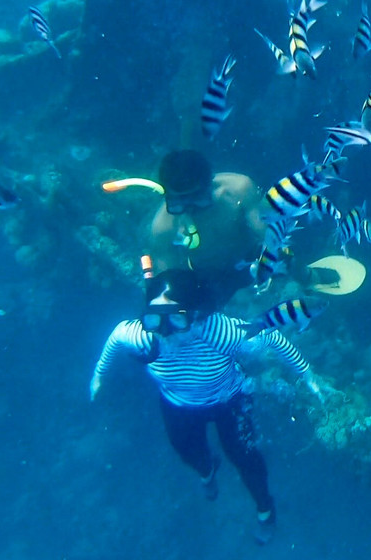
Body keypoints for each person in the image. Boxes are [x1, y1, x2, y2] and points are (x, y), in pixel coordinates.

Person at [90, 268, 320, 544]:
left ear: (197, 315)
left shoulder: (220, 333)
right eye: (154, 318)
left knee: (247, 460)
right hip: (178, 404)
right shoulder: (145, 337)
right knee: (189, 455)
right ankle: (207, 470)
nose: (164, 330)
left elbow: (271, 337)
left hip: (229, 399)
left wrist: (308, 375)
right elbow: (116, 336)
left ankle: (265, 510)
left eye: (175, 318)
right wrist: (99, 375)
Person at [149, 149, 268, 310]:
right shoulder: (163, 228)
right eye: (180, 201)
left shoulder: (239, 190)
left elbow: (271, 236)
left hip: (254, 261)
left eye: (197, 198)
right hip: (207, 282)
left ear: (209, 184)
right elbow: (169, 283)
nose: (190, 208)